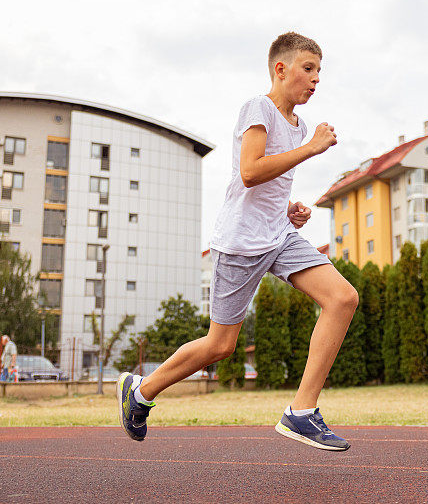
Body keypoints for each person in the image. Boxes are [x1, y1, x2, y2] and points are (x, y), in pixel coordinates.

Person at [117, 32, 358, 451]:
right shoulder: (258, 107)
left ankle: (301, 413)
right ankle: (140, 392)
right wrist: (313, 150)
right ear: (280, 69)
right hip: (241, 242)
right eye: (308, 68)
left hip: (278, 235)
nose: (316, 79)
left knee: (343, 298)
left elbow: (266, 186)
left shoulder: (297, 125)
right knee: (221, 345)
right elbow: (249, 171)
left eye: (320, 71)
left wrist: (289, 211)